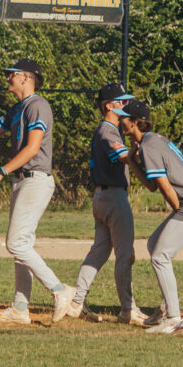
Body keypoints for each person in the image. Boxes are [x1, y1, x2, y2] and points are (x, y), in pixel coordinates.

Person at [0, 58, 75, 326]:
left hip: (35, 179)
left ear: (25, 78)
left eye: (11, 75)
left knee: (15, 243)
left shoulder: (38, 105)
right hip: (22, 181)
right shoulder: (17, 109)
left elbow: (32, 148)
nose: (7, 78)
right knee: (23, 245)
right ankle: (20, 307)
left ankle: (60, 290)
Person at [118, 99, 183, 335]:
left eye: (124, 117)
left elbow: (165, 187)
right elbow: (152, 186)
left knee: (160, 255)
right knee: (153, 244)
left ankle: (174, 318)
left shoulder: (149, 144)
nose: (120, 120)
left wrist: (177, 212)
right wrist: (131, 161)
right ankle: (166, 309)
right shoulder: (151, 141)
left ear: (137, 122)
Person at [67, 82, 149, 326]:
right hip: (114, 198)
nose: (125, 105)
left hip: (103, 198)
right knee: (125, 256)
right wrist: (141, 148)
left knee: (98, 254)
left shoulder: (110, 130)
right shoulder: (108, 130)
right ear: (109, 106)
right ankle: (128, 309)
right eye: (121, 102)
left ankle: (76, 301)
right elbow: (123, 156)